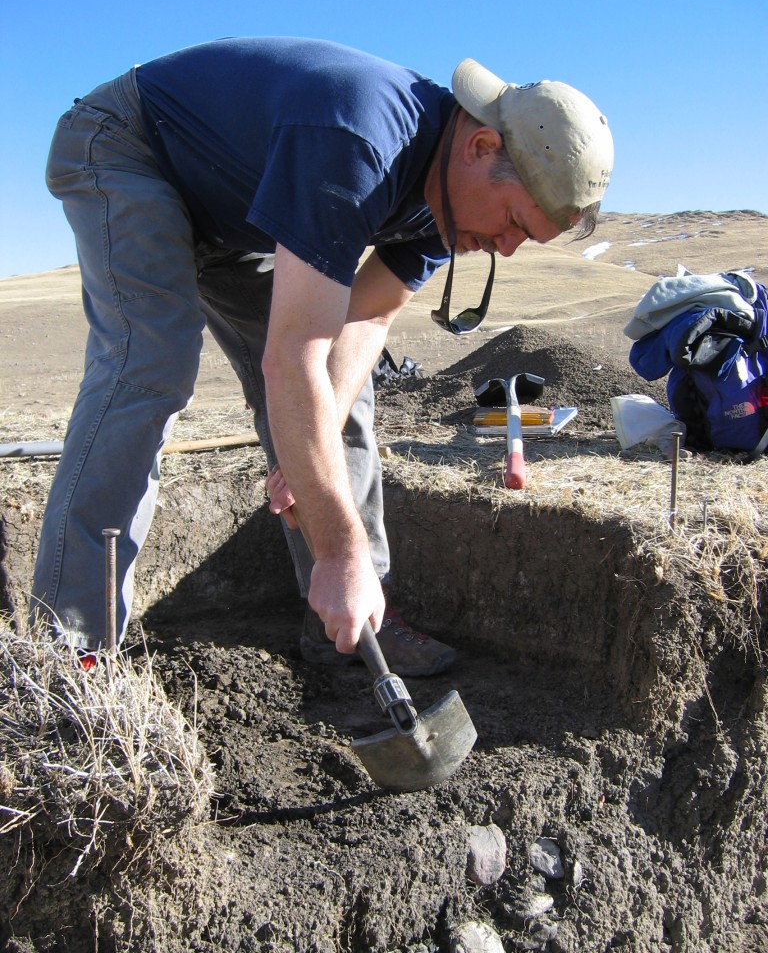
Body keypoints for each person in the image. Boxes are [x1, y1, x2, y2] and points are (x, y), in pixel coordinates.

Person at [31, 37, 613, 677]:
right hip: (132, 150)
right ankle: (70, 647)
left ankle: (356, 622)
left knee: (346, 394)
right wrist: (337, 547)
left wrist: (311, 450)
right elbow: (293, 356)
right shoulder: (359, 140)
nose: (505, 248)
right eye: (514, 224)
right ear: (481, 148)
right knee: (150, 365)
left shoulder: (447, 201)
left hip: (236, 220)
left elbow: (366, 317)